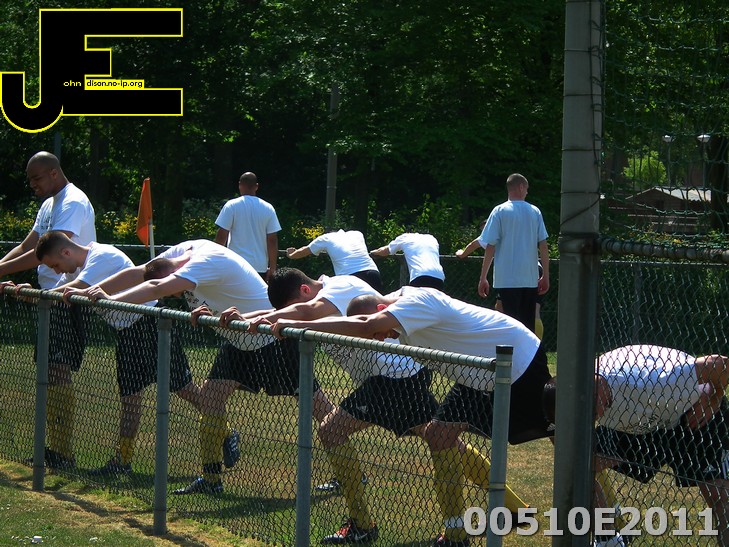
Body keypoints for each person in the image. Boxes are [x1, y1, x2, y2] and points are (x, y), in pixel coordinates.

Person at [224, 269, 531, 545]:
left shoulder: (339, 286)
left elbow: (305, 311)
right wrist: (245, 318)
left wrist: (269, 319)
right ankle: (516, 510)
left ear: (306, 289)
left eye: (291, 306)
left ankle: (362, 525)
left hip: (391, 375)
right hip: (400, 374)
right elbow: (286, 312)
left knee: (332, 431)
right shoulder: (318, 299)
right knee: (443, 440)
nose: (290, 313)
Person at [64, 240, 333, 494]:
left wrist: (109, 300)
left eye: (178, 289)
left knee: (318, 407)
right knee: (209, 399)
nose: (179, 295)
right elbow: (141, 273)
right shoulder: (180, 252)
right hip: (238, 338)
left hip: (270, 335)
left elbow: (157, 287)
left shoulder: (205, 261)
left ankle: (344, 470)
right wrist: (92, 290)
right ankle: (211, 479)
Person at [33, 230, 201, 476]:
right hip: (127, 332)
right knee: (129, 397)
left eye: (55, 265)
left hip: (151, 324)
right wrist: (28, 293)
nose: (57, 271)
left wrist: (39, 296)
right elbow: (56, 294)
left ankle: (224, 428)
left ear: (66, 252)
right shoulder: (75, 269)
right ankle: (122, 461)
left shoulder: (102, 256)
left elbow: (76, 289)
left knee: (183, 388)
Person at [543, 345, 729, 547]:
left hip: (693, 413)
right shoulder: (584, 394)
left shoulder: (655, 380)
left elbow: (720, 364)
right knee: (580, 466)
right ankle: (608, 541)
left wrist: (714, 399)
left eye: (592, 414)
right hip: (642, 421)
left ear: (590, 391)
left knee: (719, 496)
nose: (593, 419)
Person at [0, 151, 96, 469]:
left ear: (54, 173)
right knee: (49, 370)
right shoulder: (48, 205)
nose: (33, 185)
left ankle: (63, 452)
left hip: (68, 297)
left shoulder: (72, 202)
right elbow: (28, 245)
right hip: (48, 298)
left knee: (57, 369)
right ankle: (56, 449)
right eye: (30, 180)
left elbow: (48, 253)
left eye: (37, 178)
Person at [455, 173, 549, 333]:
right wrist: (545, 275)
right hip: (530, 278)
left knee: (511, 325)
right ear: (521, 187)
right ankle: (531, 350)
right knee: (528, 327)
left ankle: (511, 350)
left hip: (507, 279)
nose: (527, 192)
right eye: (527, 188)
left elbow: (490, 245)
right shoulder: (535, 211)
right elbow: (543, 245)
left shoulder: (499, 211)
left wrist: (483, 278)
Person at [214, 171, 281, 282]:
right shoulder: (268, 208)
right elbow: (272, 240)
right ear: (256, 186)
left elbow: (222, 236)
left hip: (235, 264)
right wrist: (273, 267)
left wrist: (215, 260)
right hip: (259, 266)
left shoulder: (231, 206)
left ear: (240, 185)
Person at [285, 229, 383, 292]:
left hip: (350, 277)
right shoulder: (357, 234)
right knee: (375, 311)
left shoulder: (325, 238)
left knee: (349, 312)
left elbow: (304, 251)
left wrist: (291, 255)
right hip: (373, 273)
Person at [370, 232, 445, 290]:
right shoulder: (431, 238)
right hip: (439, 277)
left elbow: (385, 251)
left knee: (417, 304)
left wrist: (372, 253)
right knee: (434, 304)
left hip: (420, 276)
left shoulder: (404, 238)